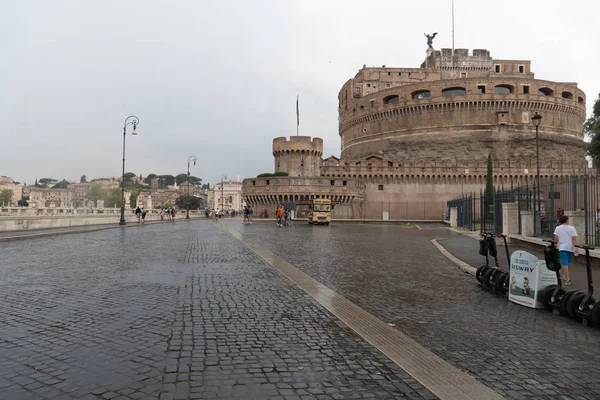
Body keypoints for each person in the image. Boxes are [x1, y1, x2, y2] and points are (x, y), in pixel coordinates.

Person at [553, 215, 578, 286]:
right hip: (570, 247)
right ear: (567, 220)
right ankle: (567, 277)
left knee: (565, 263)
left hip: (562, 247)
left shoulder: (558, 228)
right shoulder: (572, 228)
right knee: (568, 262)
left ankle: (567, 278)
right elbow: (574, 239)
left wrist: (555, 245)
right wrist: (576, 247)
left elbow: (556, 239)